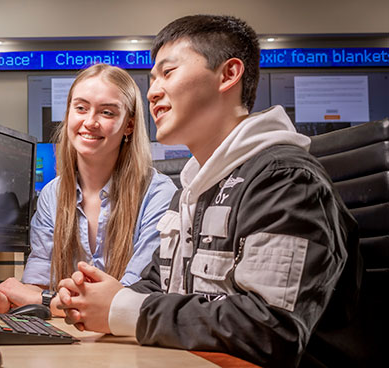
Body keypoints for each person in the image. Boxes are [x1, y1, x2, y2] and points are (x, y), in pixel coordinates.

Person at [56, 15, 362, 367]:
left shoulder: (286, 180)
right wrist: (95, 299)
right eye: (151, 79)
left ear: (228, 74)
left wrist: (123, 308)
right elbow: (159, 285)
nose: (153, 92)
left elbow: (270, 330)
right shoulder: (190, 190)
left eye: (168, 73)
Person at [0, 63, 177, 316]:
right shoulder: (52, 195)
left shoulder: (158, 194)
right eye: (80, 108)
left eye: (107, 113)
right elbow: (37, 286)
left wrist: (40, 299)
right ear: (68, 114)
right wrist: (10, 302)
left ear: (129, 125)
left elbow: (129, 299)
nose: (90, 121)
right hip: (70, 341)